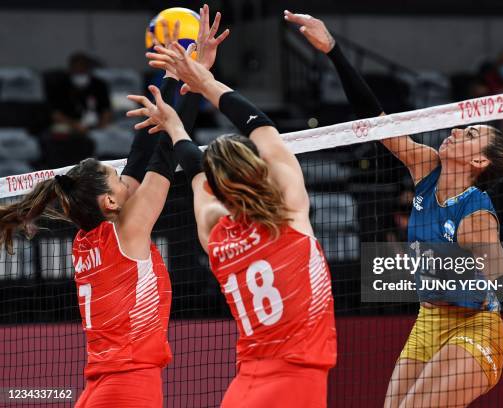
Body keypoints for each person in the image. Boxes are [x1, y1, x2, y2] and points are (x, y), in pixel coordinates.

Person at [284, 10, 503, 408]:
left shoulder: (475, 216)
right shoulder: (425, 166)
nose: (454, 132)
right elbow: (376, 121)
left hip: (476, 327)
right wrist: (333, 50)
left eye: (468, 134)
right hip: (428, 320)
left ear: (479, 162)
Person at [0, 11, 228, 407]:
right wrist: (194, 76)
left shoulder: (93, 237)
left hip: (103, 385)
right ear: (109, 202)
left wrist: (170, 76)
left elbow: (140, 158)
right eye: (118, 179)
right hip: (129, 386)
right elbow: (163, 157)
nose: (127, 179)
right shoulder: (128, 230)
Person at [129, 9, 336, 406]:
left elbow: (192, 166)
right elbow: (260, 128)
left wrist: (175, 124)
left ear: (215, 186)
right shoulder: (289, 215)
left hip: (244, 385)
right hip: (295, 379)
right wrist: (204, 81)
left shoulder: (215, 232)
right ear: (258, 169)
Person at [44, 52, 113, 168]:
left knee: (117, 135)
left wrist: (102, 126)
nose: (80, 71)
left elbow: (106, 110)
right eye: (77, 68)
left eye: (83, 68)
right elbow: (55, 114)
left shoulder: (99, 84)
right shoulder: (60, 84)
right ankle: (65, 165)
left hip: (96, 125)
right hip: (68, 124)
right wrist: (75, 125)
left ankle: (103, 166)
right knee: (58, 132)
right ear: (71, 69)